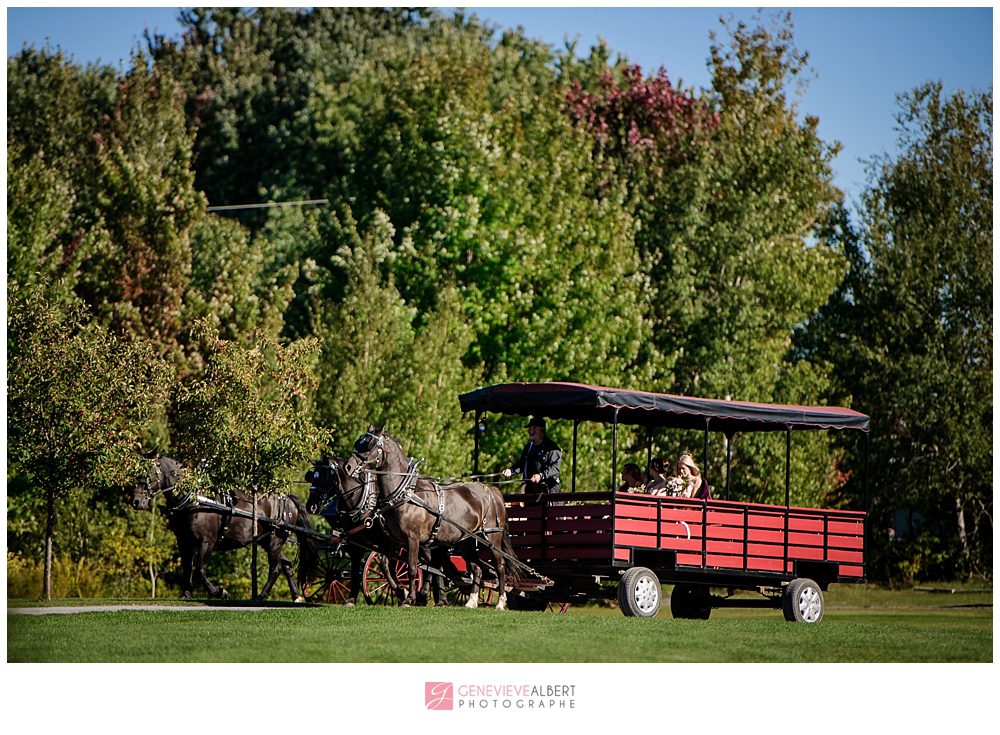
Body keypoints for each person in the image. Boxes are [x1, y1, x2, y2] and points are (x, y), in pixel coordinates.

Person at [502, 416, 561, 503]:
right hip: (530, 492)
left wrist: (541, 476)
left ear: (538, 429)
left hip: (548, 493)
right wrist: (511, 470)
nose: (528, 431)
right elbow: (522, 464)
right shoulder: (528, 447)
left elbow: (555, 468)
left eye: (531, 428)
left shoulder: (552, 448)